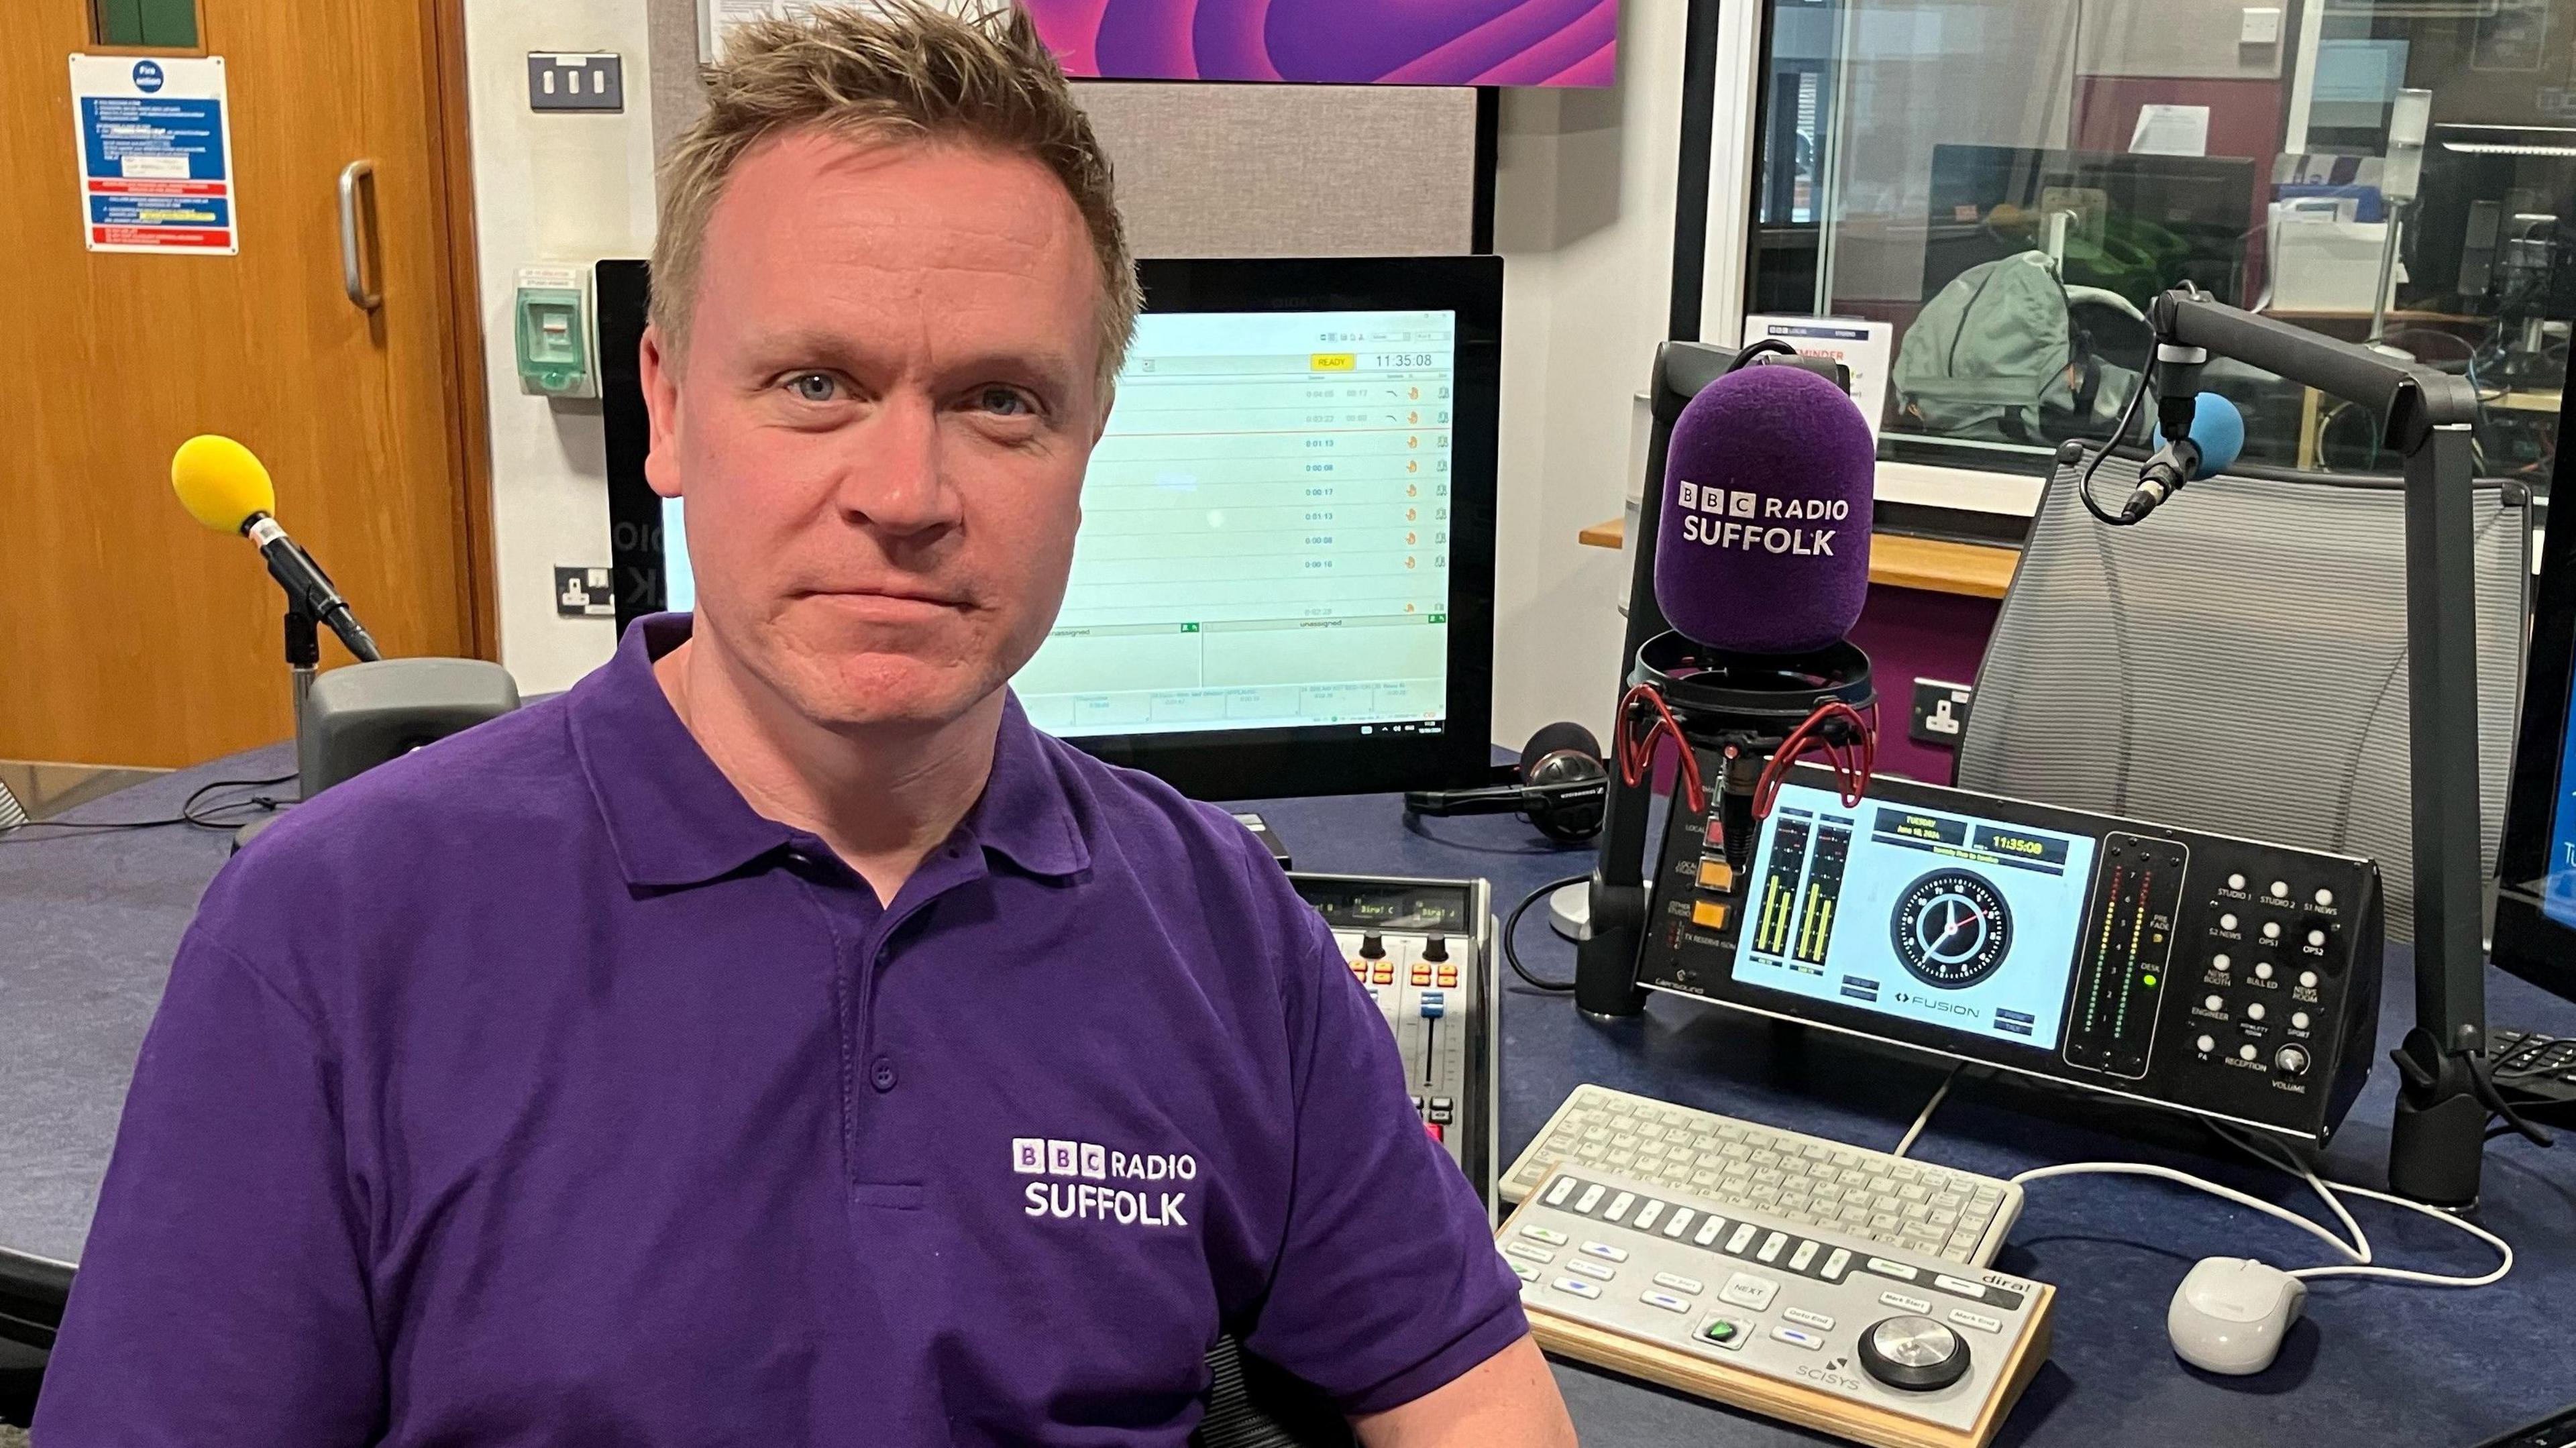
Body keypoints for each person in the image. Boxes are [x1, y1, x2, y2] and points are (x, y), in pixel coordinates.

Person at [33, 5, 1577, 1445]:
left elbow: (1471, 1398)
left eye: (1001, 402)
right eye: (818, 382)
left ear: (1089, 440)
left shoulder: (1225, 930)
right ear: (669, 404)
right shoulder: (337, 933)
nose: (904, 498)